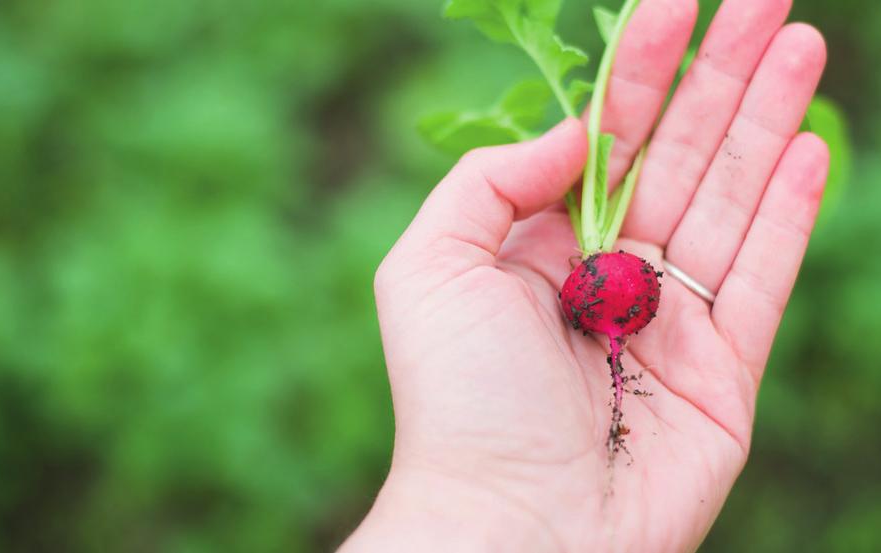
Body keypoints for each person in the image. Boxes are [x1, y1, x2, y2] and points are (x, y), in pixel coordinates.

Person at [342, 0, 828, 550]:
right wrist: (485, 485)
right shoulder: (609, 287)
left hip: (609, 280)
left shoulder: (613, 289)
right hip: (607, 278)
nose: (612, 350)